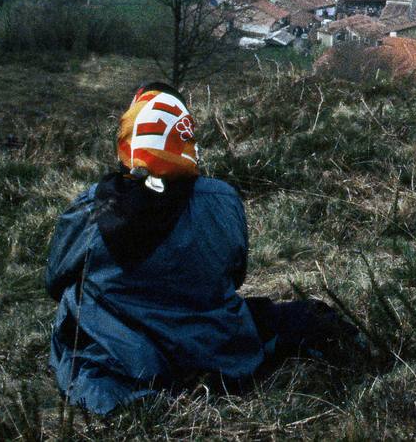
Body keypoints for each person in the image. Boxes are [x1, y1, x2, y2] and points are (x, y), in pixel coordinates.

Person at [46, 83, 355, 414]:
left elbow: (55, 279)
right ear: (186, 139)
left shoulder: (93, 206)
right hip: (215, 347)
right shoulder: (223, 199)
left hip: (126, 356)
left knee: (73, 299)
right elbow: (235, 276)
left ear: (129, 137)